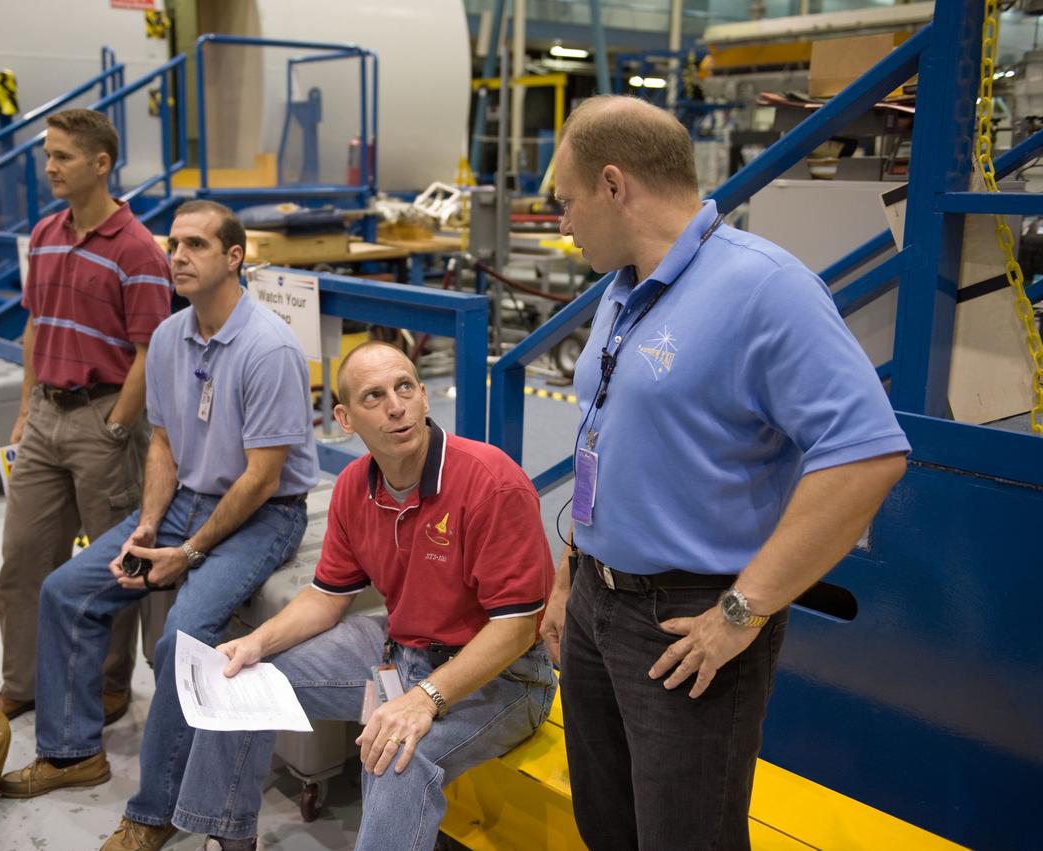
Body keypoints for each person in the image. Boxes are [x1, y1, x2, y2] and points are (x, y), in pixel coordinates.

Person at [537, 95, 911, 850]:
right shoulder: (621, 287)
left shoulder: (763, 288)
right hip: (594, 607)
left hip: (686, 622)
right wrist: (567, 578)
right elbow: (606, 440)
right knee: (605, 825)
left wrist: (743, 611)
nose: (563, 224)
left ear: (615, 186)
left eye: (567, 202)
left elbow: (868, 453)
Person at [0, 202, 320, 841]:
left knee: (181, 638)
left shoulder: (269, 347)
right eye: (174, 244)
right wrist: (147, 526)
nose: (178, 257)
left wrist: (190, 552)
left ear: (235, 258)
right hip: (183, 503)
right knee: (66, 593)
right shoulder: (172, 337)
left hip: (264, 515)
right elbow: (163, 447)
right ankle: (72, 753)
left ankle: (157, 813)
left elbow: (262, 478)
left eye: (196, 245)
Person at [160, 341, 557, 851]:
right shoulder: (355, 487)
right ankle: (229, 837)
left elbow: (516, 628)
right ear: (345, 418)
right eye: (374, 396)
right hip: (401, 647)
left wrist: (425, 698)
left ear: (424, 397)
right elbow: (327, 597)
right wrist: (255, 643)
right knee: (241, 683)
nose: (396, 406)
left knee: (396, 755)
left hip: (504, 676)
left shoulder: (490, 483)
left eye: (405, 388)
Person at [0, 108, 172, 724]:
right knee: (23, 554)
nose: (50, 167)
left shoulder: (140, 250)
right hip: (45, 415)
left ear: (101, 164)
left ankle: (108, 682)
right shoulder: (45, 235)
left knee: (109, 564)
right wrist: (24, 412)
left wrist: (117, 425)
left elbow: (150, 351)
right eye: (48, 155)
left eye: (62, 156)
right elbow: (34, 325)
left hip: (104, 419)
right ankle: (22, 682)